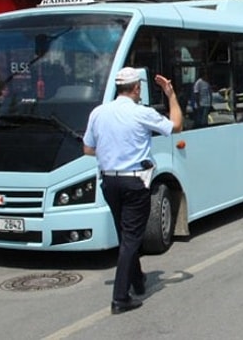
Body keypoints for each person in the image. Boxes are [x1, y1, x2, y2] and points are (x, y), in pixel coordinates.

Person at [82, 67, 183, 314]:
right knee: (131, 238)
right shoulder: (142, 113)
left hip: (109, 182)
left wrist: (111, 153)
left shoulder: (98, 113)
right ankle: (120, 298)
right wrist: (170, 94)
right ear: (137, 88)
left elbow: (87, 149)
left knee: (126, 233)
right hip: (134, 182)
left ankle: (137, 281)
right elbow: (177, 125)